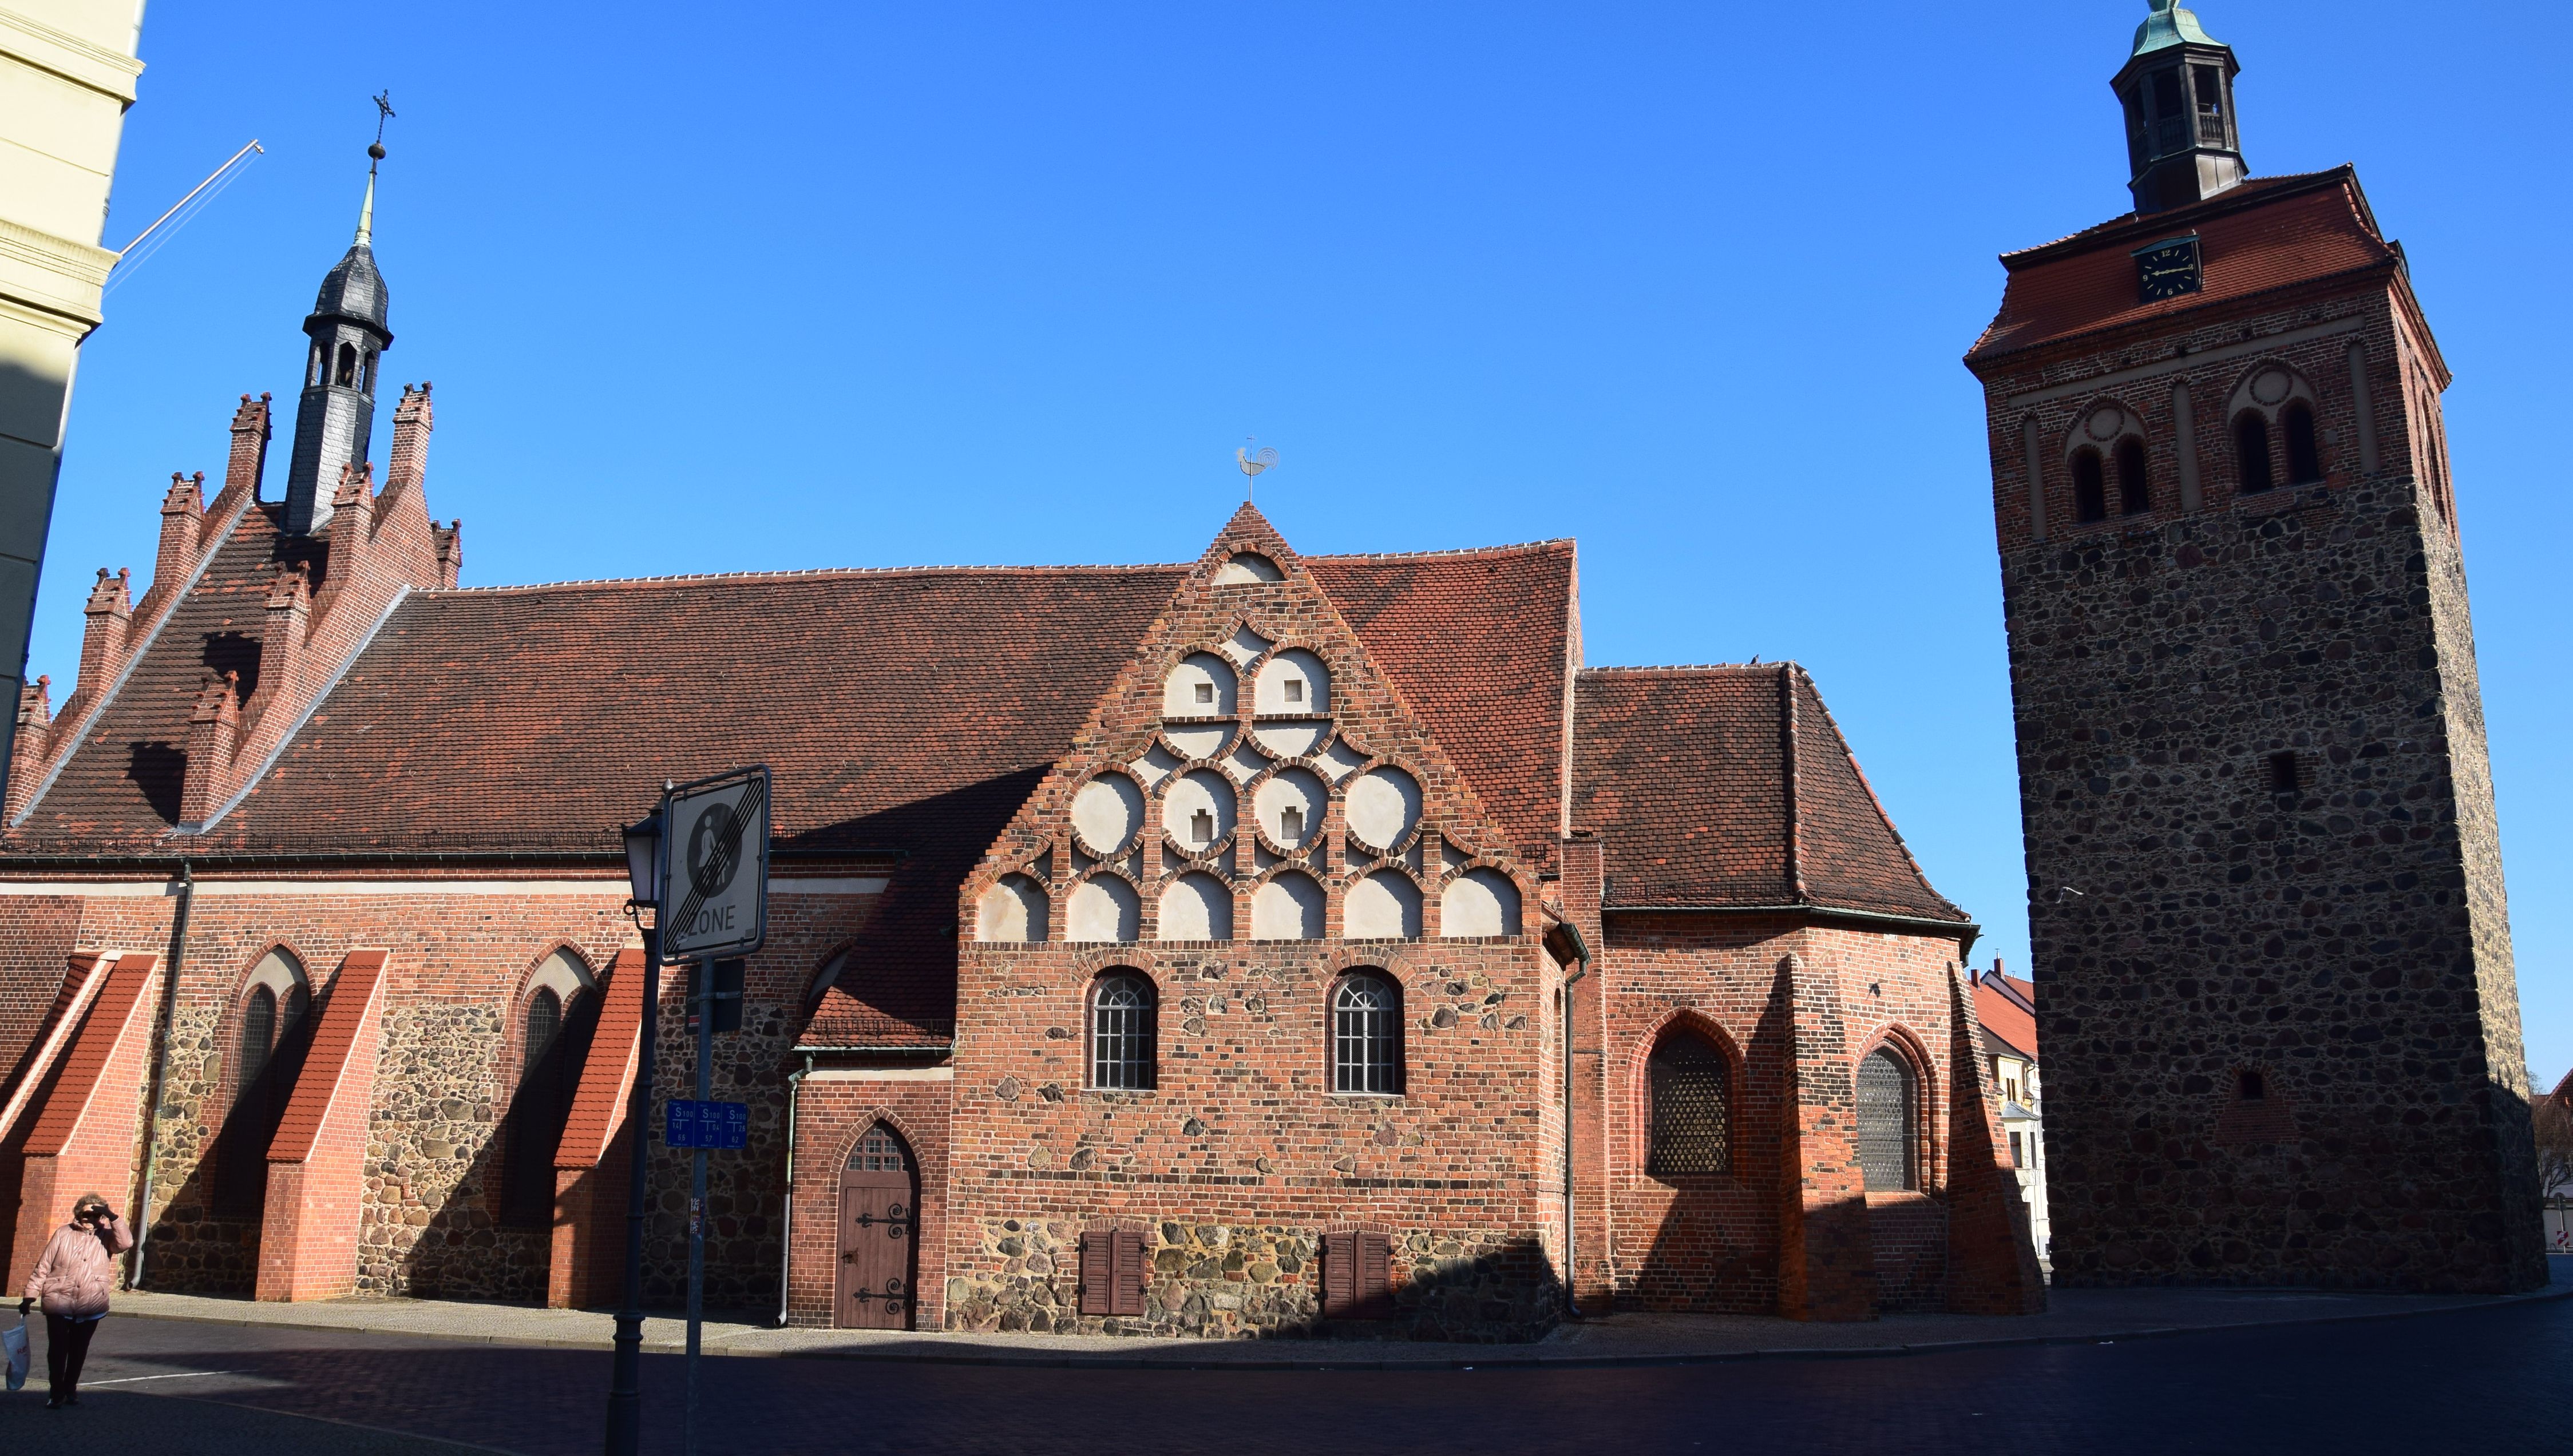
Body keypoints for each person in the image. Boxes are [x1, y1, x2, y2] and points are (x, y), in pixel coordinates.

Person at [17, 1193, 129, 1409]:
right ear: (78, 1213)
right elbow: (44, 1266)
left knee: (79, 1351)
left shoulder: (106, 1237)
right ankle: (56, 1390)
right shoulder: (63, 1233)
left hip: (91, 1302)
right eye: (87, 1212)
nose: (90, 1218)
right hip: (59, 1300)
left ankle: (71, 1387)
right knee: (58, 1350)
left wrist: (112, 1217)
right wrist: (29, 1295)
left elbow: (125, 1244)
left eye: (96, 1214)